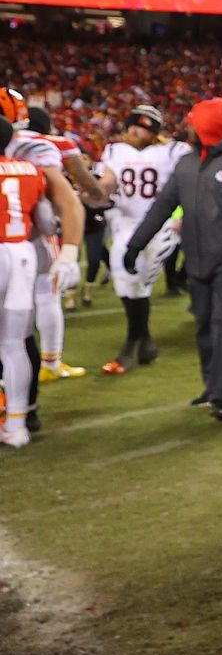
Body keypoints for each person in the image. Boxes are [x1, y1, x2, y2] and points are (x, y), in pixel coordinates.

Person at [123, 98, 222, 422]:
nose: (187, 126)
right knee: (205, 323)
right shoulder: (187, 163)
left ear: (205, 127)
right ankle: (212, 386)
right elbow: (163, 206)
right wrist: (135, 245)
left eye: (193, 121)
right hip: (198, 257)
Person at [0, 90, 83, 437]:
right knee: (17, 339)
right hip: (23, 250)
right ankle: (20, 416)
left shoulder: (33, 149)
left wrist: (68, 252)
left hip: (26, 247)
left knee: (16, 338)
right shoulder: (30, 159)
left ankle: (24, 411)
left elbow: (61, 205)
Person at [96, 104, 185, 375]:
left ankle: (133, 344)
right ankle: (143, 342)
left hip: (159, 225)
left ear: (154, 131)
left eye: (143, 126)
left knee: (136, 281)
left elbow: (190, 183)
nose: (135, 130)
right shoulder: (115, 150)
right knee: (124, 281)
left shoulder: (173, 151)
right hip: (125, 223)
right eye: (133, 124)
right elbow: (106, 185)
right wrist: (91, 189)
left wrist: (185, 218)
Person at [24, 105, 107, 382]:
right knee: (47, 295)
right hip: (38, 232)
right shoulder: (54, 144)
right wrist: (95, 194)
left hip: (8, 233)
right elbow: (89, 186)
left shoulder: (10, 142)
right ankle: (51, 362)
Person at [0, 118, 50, 448]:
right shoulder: (31, 169)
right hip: (22, 253)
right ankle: (17, 426)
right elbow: (45, 221)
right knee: (14, 343)